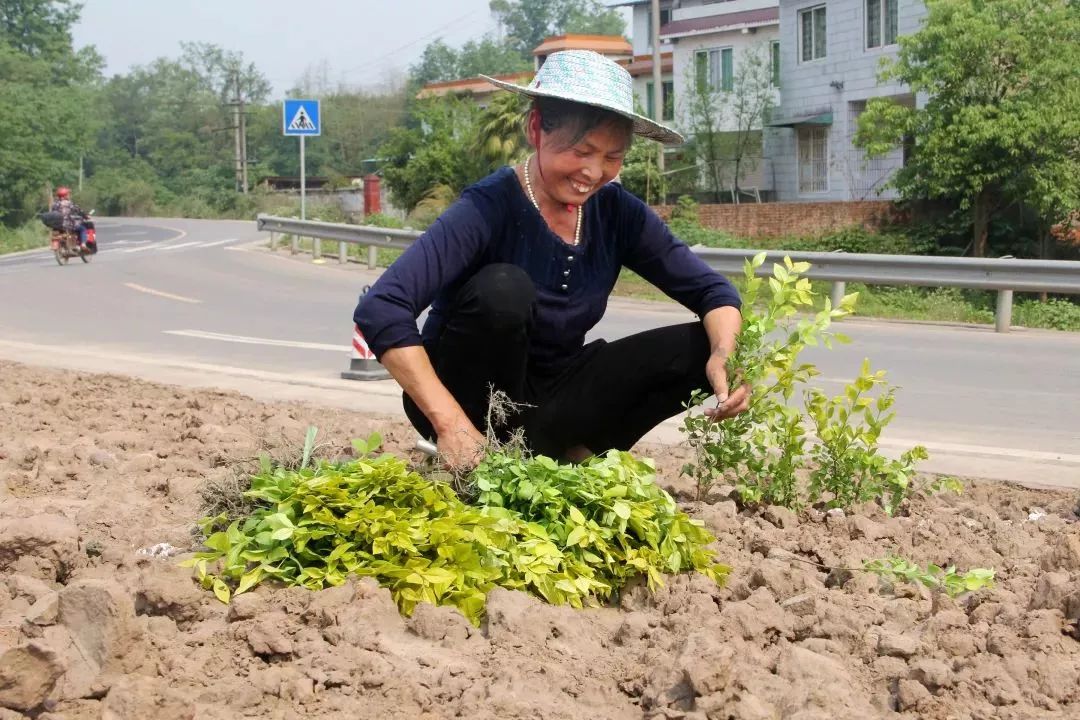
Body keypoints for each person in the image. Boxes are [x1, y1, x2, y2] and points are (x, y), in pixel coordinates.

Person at [353, 50, 750, 469]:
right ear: (537, 128)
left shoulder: (618, 213)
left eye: (612, 157)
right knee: (503, 288)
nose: (594, 172)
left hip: (551, 399)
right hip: (465, 401)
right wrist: (449, 421)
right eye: (582, 150)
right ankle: (472, 449)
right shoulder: (488, 208)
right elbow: (381, 308)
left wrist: (724, 354)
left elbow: (714, 292)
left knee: (699, 345)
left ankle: (565, 456)